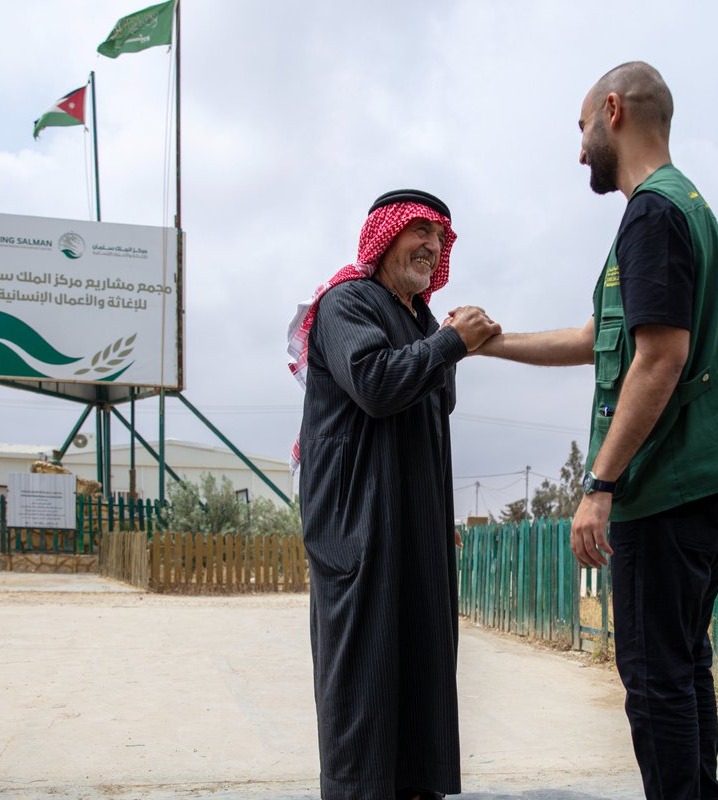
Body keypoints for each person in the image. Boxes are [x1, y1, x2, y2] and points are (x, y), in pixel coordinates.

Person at [476, 62, 718, 799]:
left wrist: (599, 484)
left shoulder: (653, 213)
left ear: (613, 111)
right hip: (714, 472)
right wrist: (491, 341)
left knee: (652, 674)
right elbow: (594, 337)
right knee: (680, 662)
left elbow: (660, 357)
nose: (579, 151)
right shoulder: (682, 205)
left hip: (671, 482)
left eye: (581, 129)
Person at [286, 189, 500, 800]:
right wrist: (453, 343)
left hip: (416, 530)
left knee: (421, 680)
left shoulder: (421, 321)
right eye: (421, 231)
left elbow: (433, 406)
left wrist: (444, 342)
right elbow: (378, 385)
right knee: (364, 689)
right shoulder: (347, 302)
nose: (432, 246)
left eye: (441, 236)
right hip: (361, 534)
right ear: (385, 236)